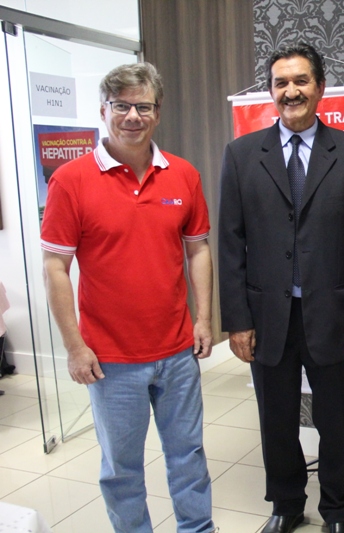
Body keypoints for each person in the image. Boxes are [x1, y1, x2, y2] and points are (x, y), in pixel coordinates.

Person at [41, 62, 215, 533]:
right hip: (110, 359)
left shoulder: (183, 174)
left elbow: (198, 249)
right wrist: (75, 346)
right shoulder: (70, 180)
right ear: (103, 110)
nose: (133, 116)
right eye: (121, 106)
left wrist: (203, 320)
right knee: (122, 469)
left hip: (177, 352)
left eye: (144, 107)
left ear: (158, 113)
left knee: (189, 456)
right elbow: (55, 267)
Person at [217, 42, 344, 533]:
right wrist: (237, 321)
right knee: (276, 419)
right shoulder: (241, 154)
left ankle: (338, 509)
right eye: (281, 83)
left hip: (333, 314)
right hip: (267, 316)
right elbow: (231, 242)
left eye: (301, 81)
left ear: (320, 87)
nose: (291, 91)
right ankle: (286, 504)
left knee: (338, 421)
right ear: (271, 91)